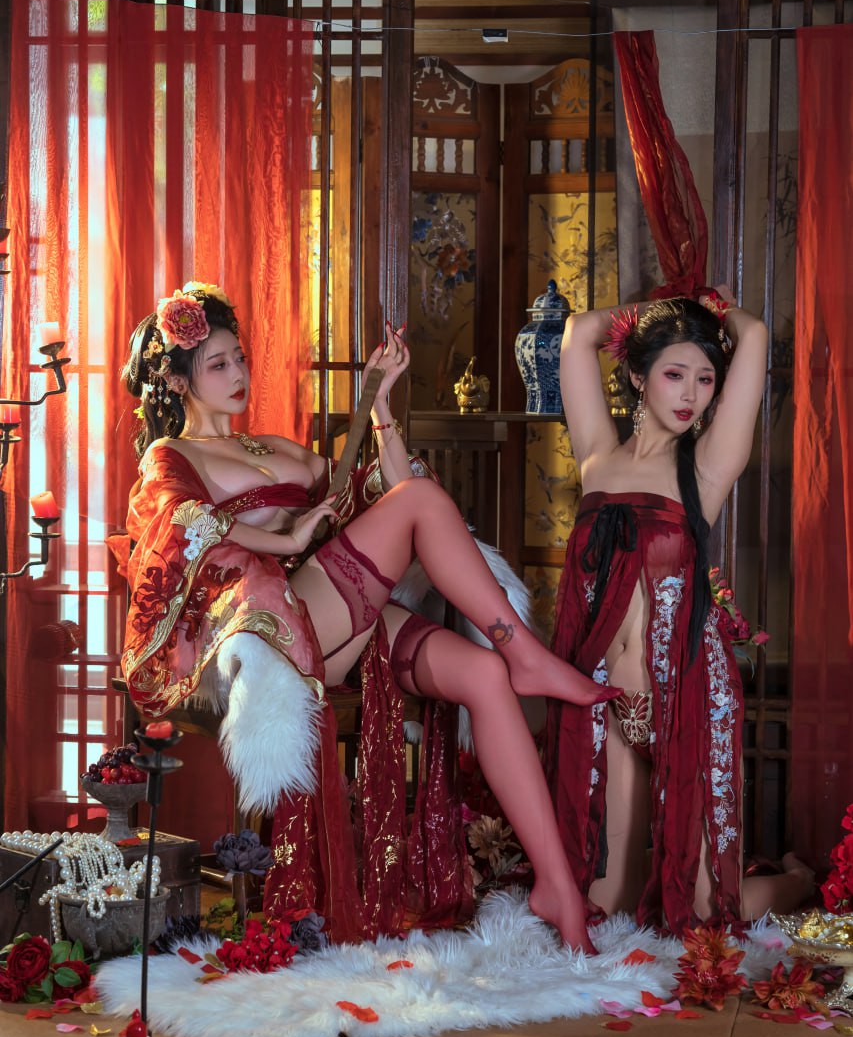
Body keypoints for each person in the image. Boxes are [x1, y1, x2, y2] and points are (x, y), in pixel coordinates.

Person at [113, 282, 621, 953]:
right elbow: (180, 527)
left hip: (339, 615)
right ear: (178, 381)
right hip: (274, 631)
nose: (238, 374)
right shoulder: (172, 457)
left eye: (240, 358)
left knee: (483, 675)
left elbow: (388, 491)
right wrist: (287, 541)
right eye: (217, 364)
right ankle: (525, 649)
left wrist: (380, 408)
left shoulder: (276, 446)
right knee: (420, 505)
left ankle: (556, 885)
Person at [546, 286, 814, 936]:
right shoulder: (596, 454)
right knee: (607, 907)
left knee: (702, 914)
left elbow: (753, 336)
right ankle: (667, 868)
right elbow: (578, 332)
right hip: (609, 703)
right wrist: (661, 313)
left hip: (689, 701)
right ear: (638, 377)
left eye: (704, 378)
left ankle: (797, 881)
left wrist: (708, 308)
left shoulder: (707, 468)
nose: (691, 393)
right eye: (673, 374)